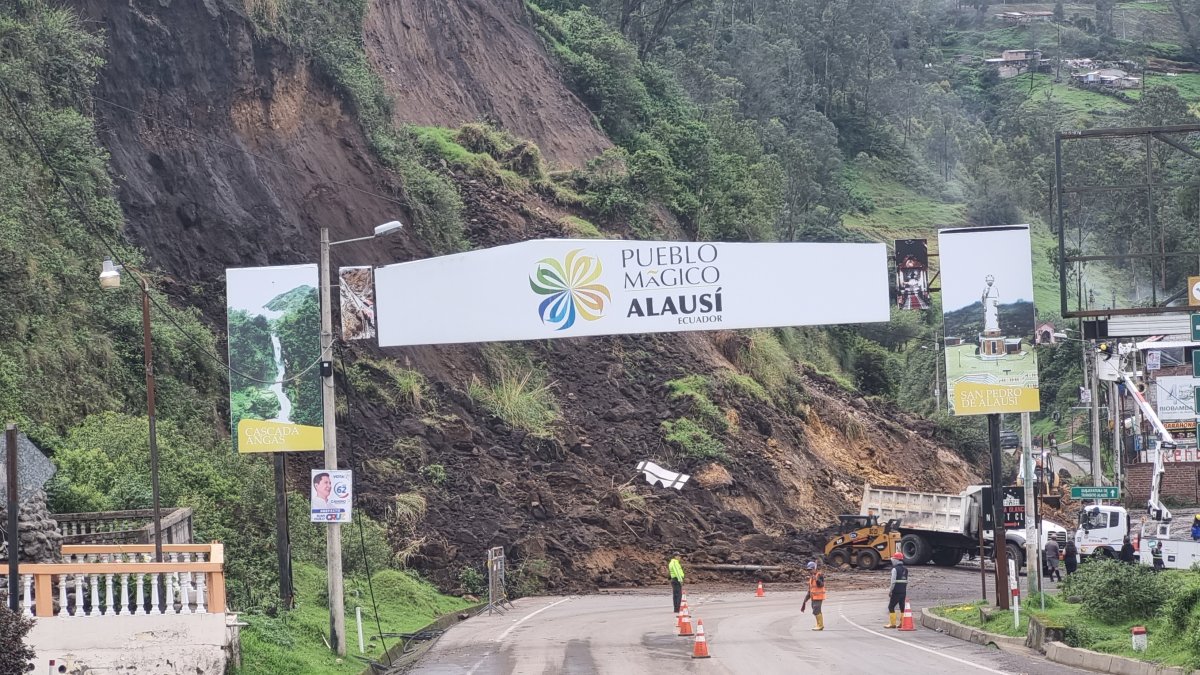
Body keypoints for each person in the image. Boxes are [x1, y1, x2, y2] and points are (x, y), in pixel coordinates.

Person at [884, 551, 908, 629]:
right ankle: (902, 623)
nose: (892, 560)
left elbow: (893, 582)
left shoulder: (894, 569)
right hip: (903, 591)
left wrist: (890, 591)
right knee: (902, 607)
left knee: (891, 607)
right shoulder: (905, 569)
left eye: (893, 559)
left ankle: (892, 624)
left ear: (896, 560)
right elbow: (906, 581)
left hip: (896, 591)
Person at [803, 561, 826, 631]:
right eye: (808, 570)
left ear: (814, 568)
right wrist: (805, 600)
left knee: (816, 610)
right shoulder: (811, 578)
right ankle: (819, 624)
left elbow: (821, 584)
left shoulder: (819, 575)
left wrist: (816, 580)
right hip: (813, 597)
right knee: (815, 610)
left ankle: (820, 625)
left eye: (810, 569)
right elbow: (810, 590)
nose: (809, 571)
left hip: (819, 596)